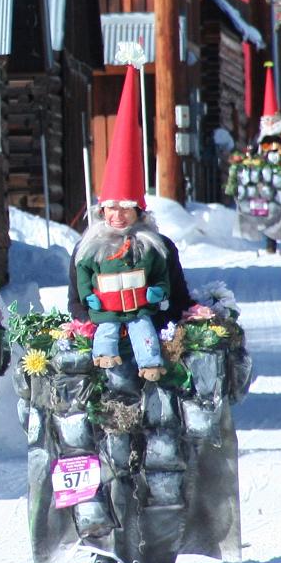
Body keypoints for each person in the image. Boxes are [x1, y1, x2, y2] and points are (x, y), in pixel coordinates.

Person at [68, 64, 187, 383]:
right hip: (104, 337)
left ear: (139, 212)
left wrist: (156, 315)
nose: (117, 217)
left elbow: (175, 295)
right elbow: (77, 299)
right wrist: (96, 317)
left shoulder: (159, 249)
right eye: (111, 209)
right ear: (101, 211)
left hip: (149, 333)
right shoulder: (86, 250)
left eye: (125, 210)